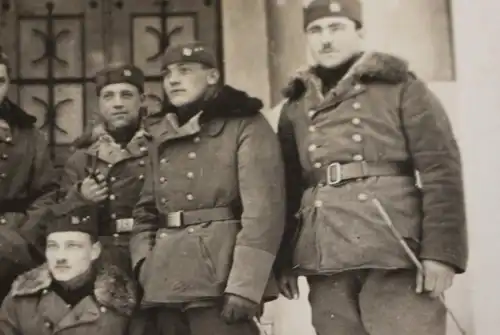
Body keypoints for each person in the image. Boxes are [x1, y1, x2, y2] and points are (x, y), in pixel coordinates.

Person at [274, 1, 468, 335]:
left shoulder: (401, 87)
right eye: (316, 30)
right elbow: (289, 187)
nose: (326, 40)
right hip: (326, 253)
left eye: (337, 28)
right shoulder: (296, 105)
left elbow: (440, 169)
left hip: (393, 246)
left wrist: (442, 254)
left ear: (359, 32)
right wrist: (285, 259)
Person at [130, 41, 285, 335]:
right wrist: (143, 265)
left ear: (212, 76)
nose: (172, 80)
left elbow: (264, 212)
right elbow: (146, 211)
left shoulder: (245, 125)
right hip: (164, 281)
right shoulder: (160, 132)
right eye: (167, 74)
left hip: (220, 280)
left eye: (185, 71)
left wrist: (245, 286)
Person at [60, 64, 152, 274]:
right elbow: (59, 218)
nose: (117, 103)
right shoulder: (81, 158)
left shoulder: (160, 148)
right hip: (100, 259)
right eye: (108, 96)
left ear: (142, 100)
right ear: (99, 104)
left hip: (151, 254)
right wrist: (80, 196)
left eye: (126, 95)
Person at [0, 204, 138, 335]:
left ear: (94, 251)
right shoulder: (21, 300)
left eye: (72, 246)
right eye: (53, 246)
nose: (60, 257)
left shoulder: (122, 305)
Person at [0, 50, 58, 302]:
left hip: (16, 248)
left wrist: (23, 236)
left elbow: (48, 192)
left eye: (0, 81)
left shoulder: (30, 135)